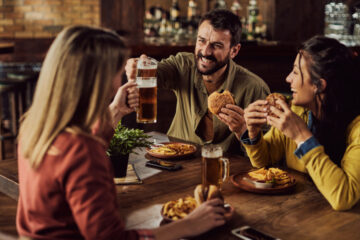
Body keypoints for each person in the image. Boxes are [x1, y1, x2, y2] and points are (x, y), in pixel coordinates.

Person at [16, 25, 231, 240]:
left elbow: (76, 153)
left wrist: (116, 110)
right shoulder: (83, 151)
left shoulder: (35, 127)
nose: (120, 81)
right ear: (98, 81)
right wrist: (189, 225)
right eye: (119, 73)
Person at [125, 9, 270, 153]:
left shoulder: (255, 88)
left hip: (224, 169)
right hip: (173, 161)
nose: (205, 51)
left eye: (217, 45)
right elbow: (157, 72)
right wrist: (137, 67)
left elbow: (266, 153)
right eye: (201, 41)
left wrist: (243, 131)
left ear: (234, 51)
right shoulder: (183, 65)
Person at [242, 35, 360, 211]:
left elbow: (343, 197)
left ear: (319, 86)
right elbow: (264, 161)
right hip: (301, 211)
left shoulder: (356, 129)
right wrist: (252, 133)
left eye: (296, 72)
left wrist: (302, 137)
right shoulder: (296, 111)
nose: (288, 78)